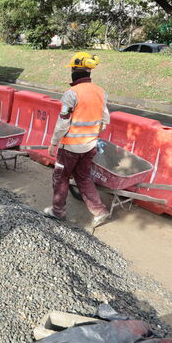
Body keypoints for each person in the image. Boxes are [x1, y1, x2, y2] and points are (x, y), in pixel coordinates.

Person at [43, 51, 111, 228]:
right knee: (83, 178)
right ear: (89, 72)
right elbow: (106, 120)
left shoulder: (71, 94)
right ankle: (100, 211)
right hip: (90, 146)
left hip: (70, 148)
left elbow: (62, 123)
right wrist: (92, 135)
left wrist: (54, 143)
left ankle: (58, 212)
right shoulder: (100, 92)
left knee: (61, 177)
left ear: (75, 69)